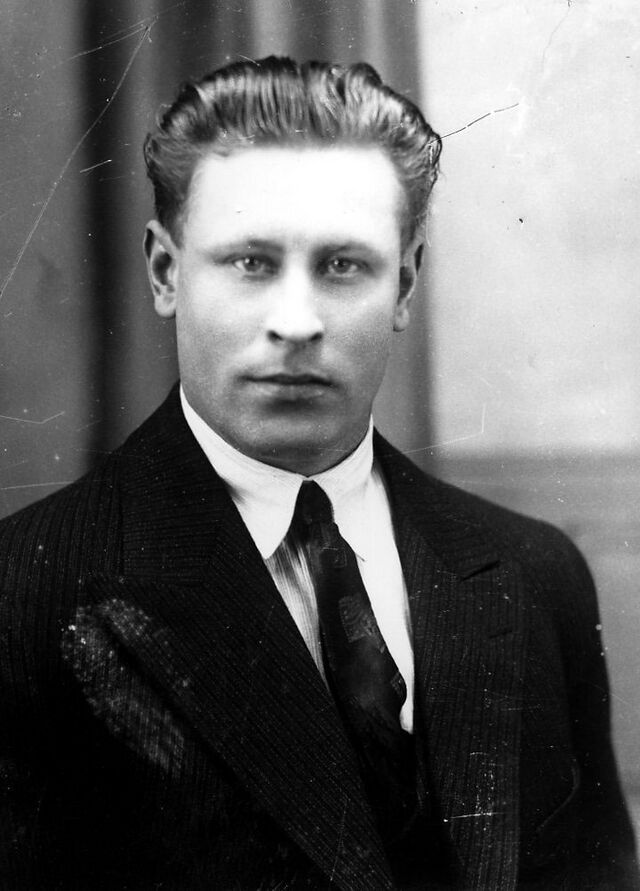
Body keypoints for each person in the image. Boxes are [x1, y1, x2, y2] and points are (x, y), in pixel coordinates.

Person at [0, 55, 637, 891]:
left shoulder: (535, 572)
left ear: (404, 283)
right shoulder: (23, 590)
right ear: (165, 273)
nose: (296, 322)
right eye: (251, 263)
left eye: (343, 266)